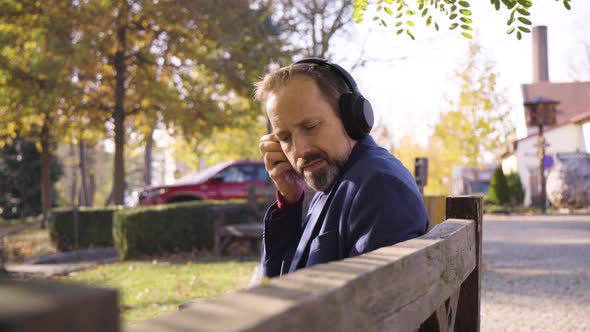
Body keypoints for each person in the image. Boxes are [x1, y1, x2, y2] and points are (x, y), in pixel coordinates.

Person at [255, 58, 428, 278]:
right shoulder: (335, 183)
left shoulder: (379, 187)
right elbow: (276, 287)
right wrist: (289, 203)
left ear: (350, 117)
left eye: (310, 126)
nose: (300, 150)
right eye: (285, 138)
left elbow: (379, 306)